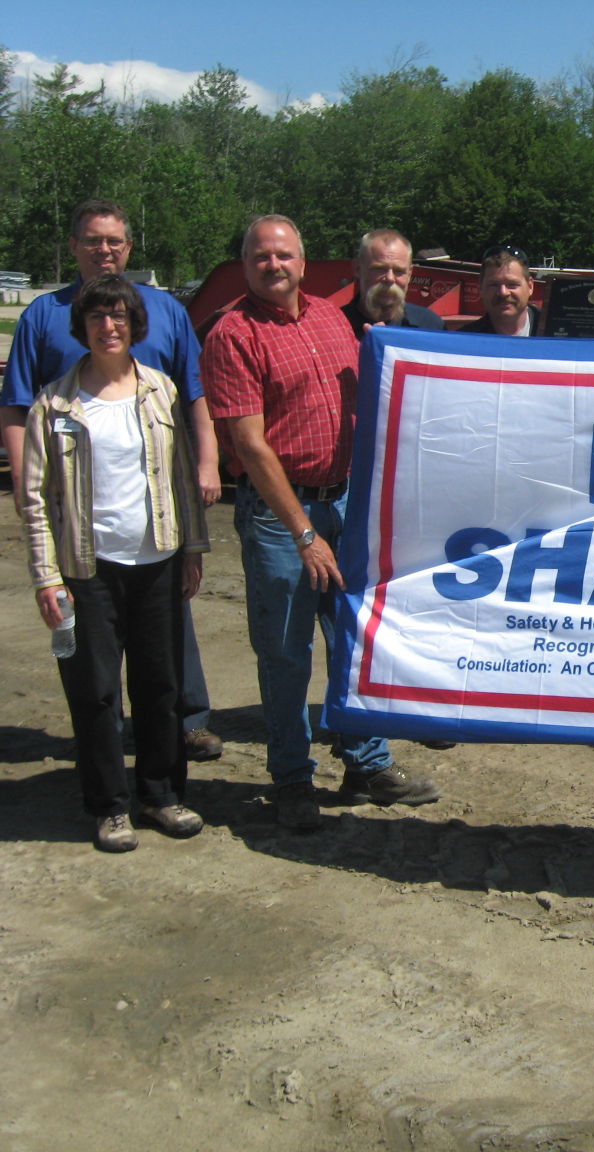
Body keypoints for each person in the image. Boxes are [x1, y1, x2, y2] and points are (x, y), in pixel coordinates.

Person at [202, 214, 442, 830]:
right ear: (246, 263)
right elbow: (250, 446)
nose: (274, 265)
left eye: (284, 255)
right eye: (261, 256)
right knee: (286, 652)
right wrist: (303, 533)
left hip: (346, 504)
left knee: (354, 641)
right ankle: (291, 779)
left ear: (304, 263)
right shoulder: (232, 335)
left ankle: (367, 764)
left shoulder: (332, 320)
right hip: (282, 517)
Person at [2, 199, 224, 763]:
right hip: (79, 499)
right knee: (91, 623)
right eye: (93, 240)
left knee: (168, 611)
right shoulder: (43, 315)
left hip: (156, 494)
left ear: (128, 248)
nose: (104, 250)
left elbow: (194, 390)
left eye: (115, 241)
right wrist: (29, 484)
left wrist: (207, 461)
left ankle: (186, 720)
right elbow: (17, 405)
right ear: (74, 246)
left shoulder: (165, 311)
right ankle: (105, 732)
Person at [20, 276, 209, 852]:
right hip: (87, 570)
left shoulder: (161, 391)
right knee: (96, 692)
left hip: (158, 561)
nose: (109, 327)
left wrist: (193, 549)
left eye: (119, 316)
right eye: (97, 317)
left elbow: (182, 477)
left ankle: (161, 794)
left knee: (161, 687)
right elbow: (35, 498)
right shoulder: (54, 404)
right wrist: (46, 577)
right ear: (82, 327)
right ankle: (109, 807)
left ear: (134, 324)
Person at [341, 228, 446, 339]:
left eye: (398, 271)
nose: (390, 278)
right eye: (379, 269)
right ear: (357, 269)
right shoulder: (335, 328)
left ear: (409, 274)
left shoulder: (431, 327)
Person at [460, 246, 539, 337]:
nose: (503, 292)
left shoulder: (551, 331)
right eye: (494, 285)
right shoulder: (465, 340)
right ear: (481, 288)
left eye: (512, 285)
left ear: (530, 287)